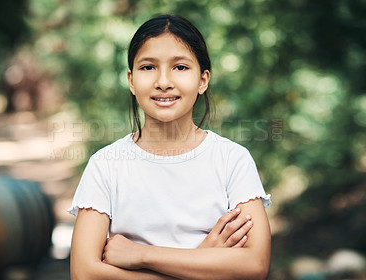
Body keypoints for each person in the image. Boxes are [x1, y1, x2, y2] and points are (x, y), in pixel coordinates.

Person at [68, 14, 271, 280]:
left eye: (180, 67)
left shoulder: (231, 160)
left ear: (203, 80)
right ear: (131, 80)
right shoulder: (106, 165)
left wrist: (141, 255)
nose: (163, 82)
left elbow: (255, 265)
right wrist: (204, 259)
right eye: (148, 67)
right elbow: (84, 273)